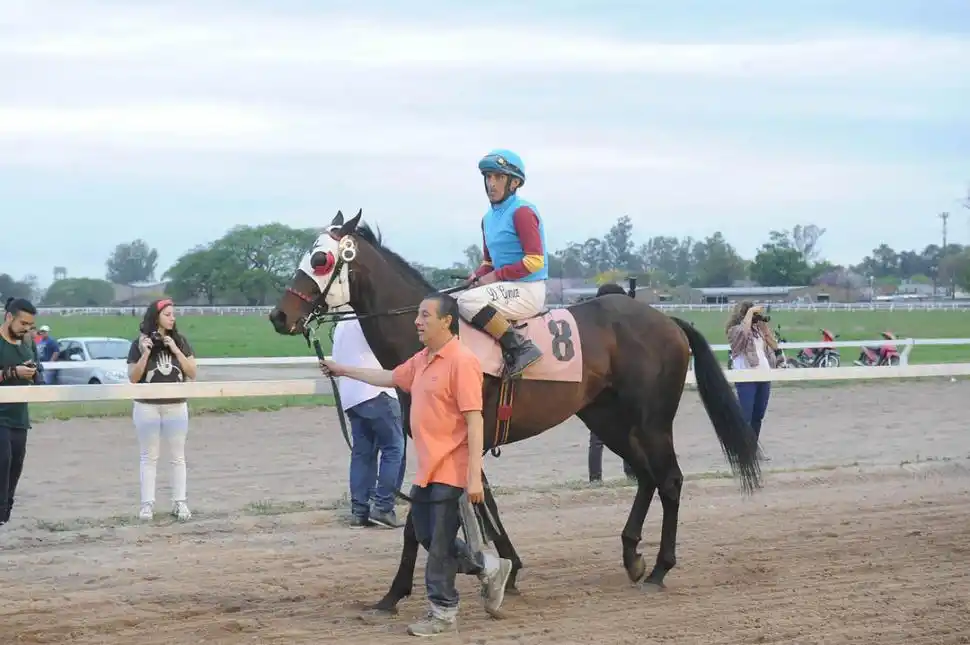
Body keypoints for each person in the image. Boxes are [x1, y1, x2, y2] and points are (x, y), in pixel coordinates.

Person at [319, 293, 513, 637]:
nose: (417, 321)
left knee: (439, 545)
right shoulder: (423, 359)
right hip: (427, 470)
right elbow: (389, 378)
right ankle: (488, 565)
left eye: (425, 316)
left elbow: (475, 421)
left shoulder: (462, 362)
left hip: (452, 470)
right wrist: (342, 370)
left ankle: (443, 610)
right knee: (424, 533)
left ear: (446, 322)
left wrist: (473, 480)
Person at [461, 149, 548, 378]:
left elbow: (535, 261)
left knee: (468, 302)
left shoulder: (522, 212)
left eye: (498, 177)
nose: (491, 183)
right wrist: (477, 275)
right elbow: (489, 262)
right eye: (488, 177)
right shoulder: (487, 219)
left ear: (514, 182)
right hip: (507, 288)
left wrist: (496, 276)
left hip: (528, 290)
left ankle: (520, 348)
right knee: (448, 301)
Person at [331, 318, 406, 529]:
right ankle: (383, 507)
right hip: (377, 393)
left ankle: (359, 512)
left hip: (351, 397)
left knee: (363, 453)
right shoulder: (368, 318)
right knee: (394, 449)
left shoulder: (341, 324)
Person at [126, 298, 198, 521]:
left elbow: (192, 372)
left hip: (176, 406)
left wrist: (176, 349)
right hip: (147, 407)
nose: (172, 318)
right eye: (168, 314)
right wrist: (145, 353)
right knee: (149, 456)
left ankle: (180, 502)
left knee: (178, 456)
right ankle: (147, 504)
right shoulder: (138, 344)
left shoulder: (181, 341)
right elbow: (133, 378)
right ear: (156, 317)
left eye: (173, 314)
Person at [587, 283, 637, 482]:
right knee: (627, 431)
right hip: (615, 383)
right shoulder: (620, 327)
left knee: (597, 437)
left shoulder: (592, 326)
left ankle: (595, 477)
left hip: (598, 386)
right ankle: (630, 472)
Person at [0, 297, 42, 527]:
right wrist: (11, 373)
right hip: (0, 417)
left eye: (30, 324)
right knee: (2, 463)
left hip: (19, 417)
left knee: (15, 468)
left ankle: (4, 514)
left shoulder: (27, 344)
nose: (27, 328)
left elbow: (38, 378)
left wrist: (35, 375)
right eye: (23, 323)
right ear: (9, 317)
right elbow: (10, 374)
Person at [725, 301, 779, 439]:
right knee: (745, 415)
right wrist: (749, 313)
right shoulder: (734, 331)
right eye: (752, 314)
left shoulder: (758, 332)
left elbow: (774, 345)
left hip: (763, 376)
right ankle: (742, 448)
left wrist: (766, 331)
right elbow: (743, 333)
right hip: (746, 377)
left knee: (758, 415)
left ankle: (753, 447)